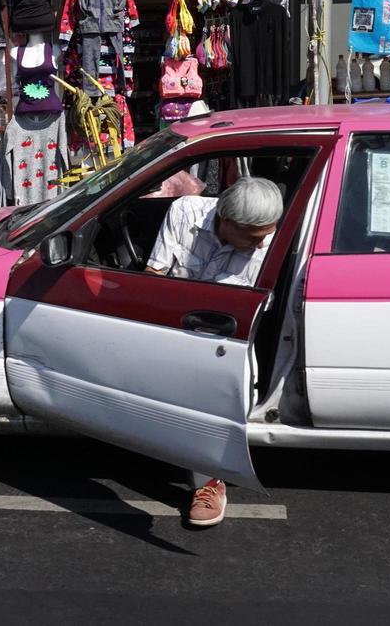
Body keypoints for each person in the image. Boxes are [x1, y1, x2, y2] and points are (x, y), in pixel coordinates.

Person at [144, 176, 284, 528]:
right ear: (225, 220)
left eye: (268, 232)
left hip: (223, 338)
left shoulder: (269, 246)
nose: (263, 241)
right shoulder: (184, 211)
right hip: (171, 323)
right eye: (253, 236)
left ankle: (209, 482)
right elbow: (153, 274)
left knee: (207, 388)